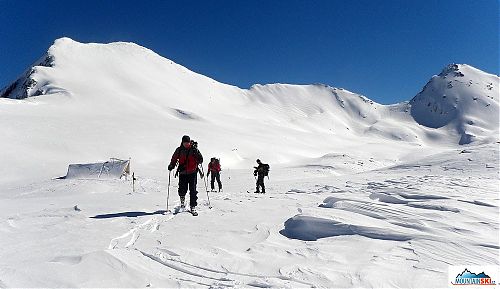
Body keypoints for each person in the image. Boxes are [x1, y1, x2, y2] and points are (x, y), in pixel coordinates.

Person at [168, 135, 203, 215]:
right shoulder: (179, 150)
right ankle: (182, 201)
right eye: (185, 142)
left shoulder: (194, 149)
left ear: (190, 142)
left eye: (187, 142)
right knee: (182, 189)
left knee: (193, 190)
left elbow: (201, 159)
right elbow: (174, 158)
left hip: (193, 173)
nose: (186, 144)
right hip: (183, 172)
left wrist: (198, 156)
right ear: (182, 142)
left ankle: (193, 206)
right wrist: (171, 165)